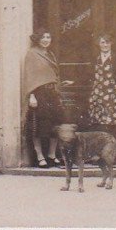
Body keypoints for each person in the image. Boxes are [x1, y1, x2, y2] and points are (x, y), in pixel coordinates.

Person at [24, 29, 73, 168]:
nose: (46, 40)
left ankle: (52, 155)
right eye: (43, 37)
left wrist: (60, 85)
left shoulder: (50, 54)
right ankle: (40, 156)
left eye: (48, 37)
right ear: (38, 39)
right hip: (39, 93)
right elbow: (29, 76)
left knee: (55, 125)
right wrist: (32, 95)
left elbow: (53, 74)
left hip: (53, 93)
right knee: (38, 126)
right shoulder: (32, 54)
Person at [87, 33, 116, 161]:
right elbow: (89, 76)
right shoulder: (95, 58)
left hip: (112, 95)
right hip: (97, 95)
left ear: (111, 44)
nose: (105, 45)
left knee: (113, 125)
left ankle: (114, 156)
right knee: (98, 125)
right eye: (102, 42)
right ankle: (99, 155)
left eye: (107, 42)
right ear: (98, 44)